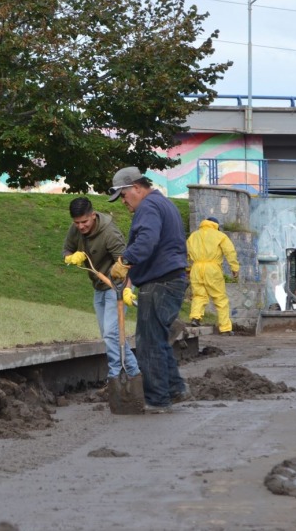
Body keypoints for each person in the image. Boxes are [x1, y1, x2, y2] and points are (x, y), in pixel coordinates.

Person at [108, 167, 192, 413]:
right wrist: (132, 278)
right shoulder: (162, 204)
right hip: (170, 280)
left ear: (136, 187)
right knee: (157, 339)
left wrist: (124, 261)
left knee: (149, 344)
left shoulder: (148, 207)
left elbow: (146, 241)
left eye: (123, 196)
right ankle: (175, 388)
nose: (123, 202)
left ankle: (157, 399)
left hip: (160, 283)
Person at [63, 197, 141, 382]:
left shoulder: (109, 233)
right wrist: (71, 257)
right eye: (77, 223)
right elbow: (66, 249)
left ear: (93, 215)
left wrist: (127, 290)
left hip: (117, 286)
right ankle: (134, 375)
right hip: (99, 286)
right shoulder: (75, 229)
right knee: (110, 336)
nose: (81, 227)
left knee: (111, 334)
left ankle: (115, 376)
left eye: (84, 222)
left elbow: (128, 264)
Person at [187, 217, 240, 335]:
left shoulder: (193, 236)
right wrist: (234, 268)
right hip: (212, 268)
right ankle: (225, 328)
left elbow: (186, 253)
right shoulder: (220, 235)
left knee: (198, 296)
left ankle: (195, 318)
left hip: (196, 268)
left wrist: (188, 269)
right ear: (216, 225)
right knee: (220, 298)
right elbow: (229, 251)